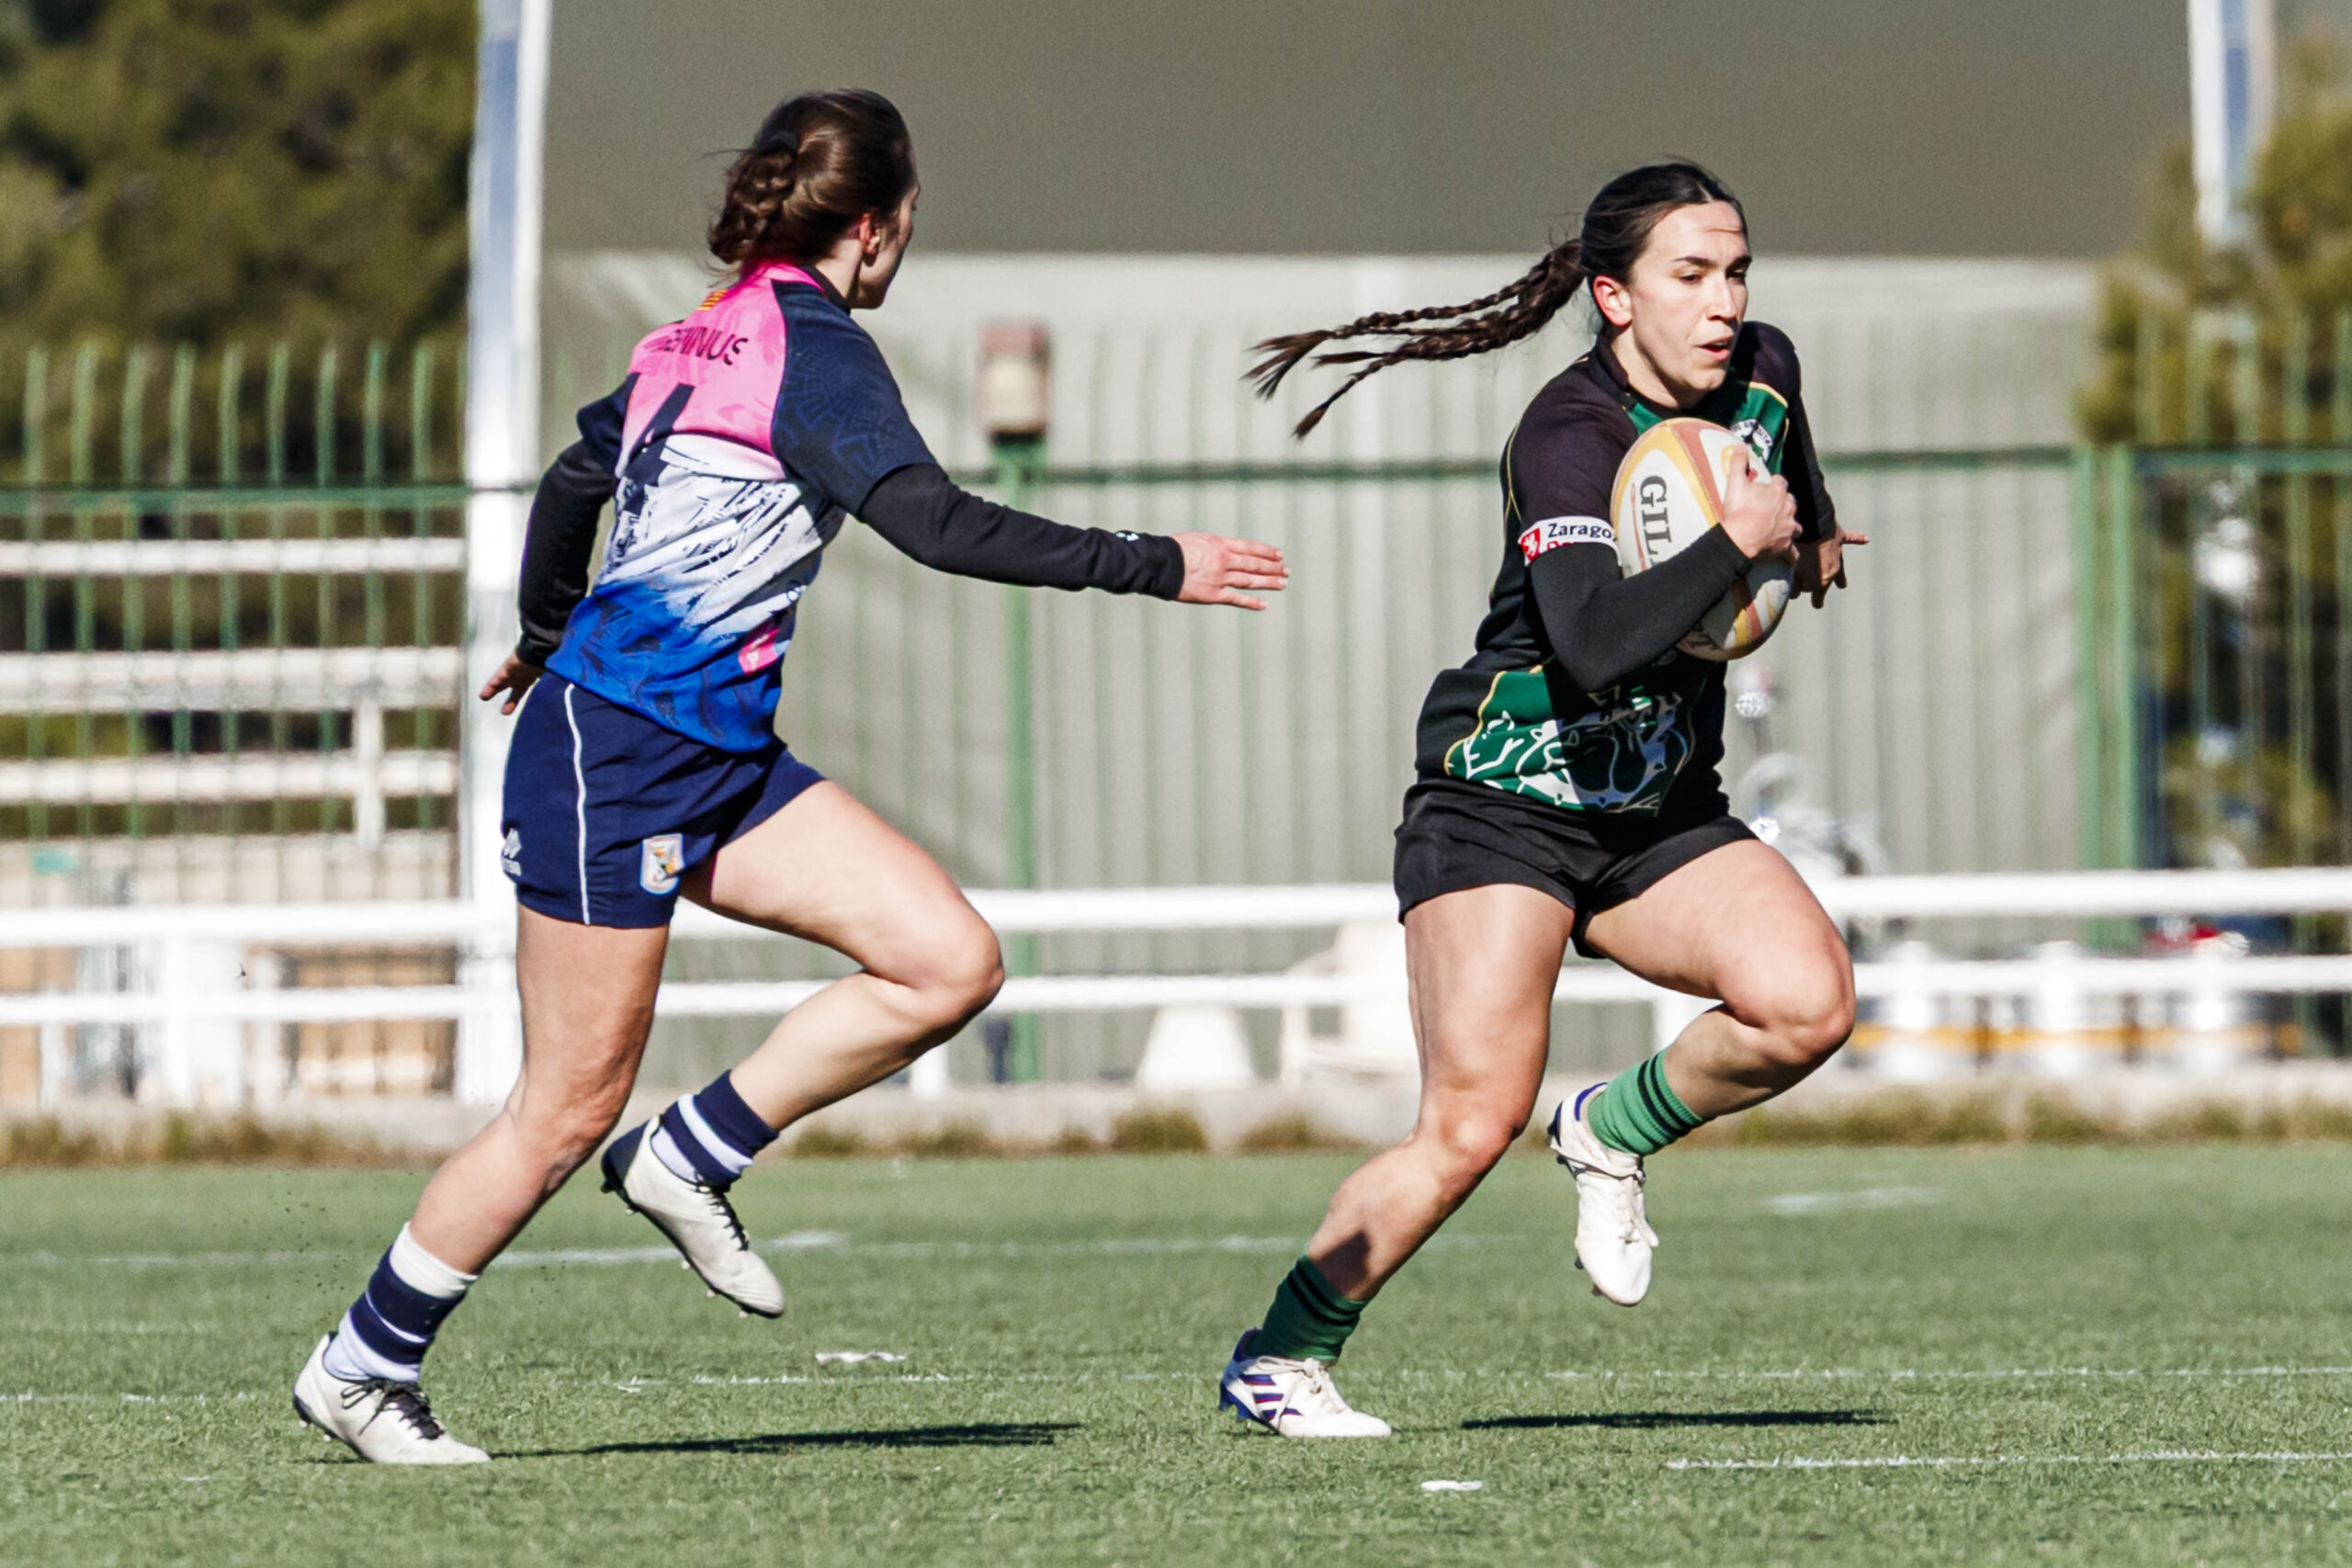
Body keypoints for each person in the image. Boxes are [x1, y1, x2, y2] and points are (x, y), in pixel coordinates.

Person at [290, 87, 1287, 1464]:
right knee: (567, 1103)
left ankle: (694, 1153)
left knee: (945, 958)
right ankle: (362, 1365)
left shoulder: (690, 336)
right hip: (618, 755)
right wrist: (1152, 560)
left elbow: (578, 483)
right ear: (872, 229)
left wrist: (537, 624)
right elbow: (935, 524)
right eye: (910, 228)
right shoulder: (814, 349)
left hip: (711, 755)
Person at [1217, 162, 1867, 1438]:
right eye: (1690, 277)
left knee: (1809, 1007)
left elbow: (1792, 487)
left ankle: (1609, 1130)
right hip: (1501, 801)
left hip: (1656, 808)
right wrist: (1735, 546)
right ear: (1616, 298)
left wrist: (1814, 540)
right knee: (1467, 1124)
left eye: (1735, 272)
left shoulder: (1767, 373)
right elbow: (1593, 643)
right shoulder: (1565, 434)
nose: (1724, 302)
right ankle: (1279, 1354)